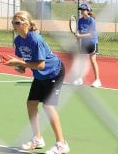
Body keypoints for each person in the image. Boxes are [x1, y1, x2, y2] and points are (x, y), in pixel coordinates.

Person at [4, 11, 70, 154]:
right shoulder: (18, 41)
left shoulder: (35, 39)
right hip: (40, 76)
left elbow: (40, 65)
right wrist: (19, 66)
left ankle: (61, 144)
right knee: (31, 103)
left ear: (26, 24)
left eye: (17, 23)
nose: (14, 25)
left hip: (54, 72)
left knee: (48, 106)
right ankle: (38, 138)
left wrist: (20, 63)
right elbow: (27, 62)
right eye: (13, 22)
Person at [72, 3, 102, 88]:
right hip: (84, 43)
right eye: (81, 10)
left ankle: (97, 80)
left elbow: (91, 34)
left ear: (88, 11)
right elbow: (78, 32)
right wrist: (77, 38)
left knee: (92, 60)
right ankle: (79, 79)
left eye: (83, 10)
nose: (81, 11)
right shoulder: (80, 21)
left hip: (92, 42)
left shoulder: (92, 20)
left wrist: (79, 36)